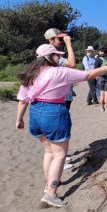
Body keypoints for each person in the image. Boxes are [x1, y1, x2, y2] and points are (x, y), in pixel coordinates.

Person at [16, 43, 107, 207]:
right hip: (54, 112)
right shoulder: (60, 72)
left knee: (48, 152)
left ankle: (48, 183)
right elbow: (88, 75)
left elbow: (23, 100)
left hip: (35, 113)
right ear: (50, 57)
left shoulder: (31, 74)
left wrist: (19, 119)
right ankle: (51, 194)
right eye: (57, 55)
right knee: (59, 155)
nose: (60, 58)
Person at [45, 28, 76, 170]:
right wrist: (69, 45)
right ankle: (60, 161)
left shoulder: (52, 54)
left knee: (60, 130)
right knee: (59, 130)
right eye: (60, 39)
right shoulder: (52, 55)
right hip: (58, 99)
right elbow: (72, 64)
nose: (63, 41)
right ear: (50, 40)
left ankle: (61, 156)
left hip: (62, 97)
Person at [94, 46, 107, 112]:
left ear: (102, 51)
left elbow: (96, 69)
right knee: (106, 93)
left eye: (100, 51)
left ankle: (101, 108)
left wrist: (96, 76)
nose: (99, 52)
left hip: (101, 77)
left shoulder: (98, 58)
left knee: (101, 93)